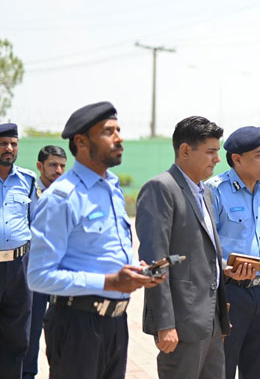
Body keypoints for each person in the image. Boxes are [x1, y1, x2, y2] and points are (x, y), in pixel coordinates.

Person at [28, 101, 163, 379]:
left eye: (119, 129)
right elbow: (39, 276)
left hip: (117, 322)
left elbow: (104, 255)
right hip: (78, 325)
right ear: (81, 141)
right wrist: (109, 282)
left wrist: (137, 273)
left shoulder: (112, 189)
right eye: (108, 131)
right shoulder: (61, 198)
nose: (119, 137)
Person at [136, 116, 230, 379]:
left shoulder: (206, 193)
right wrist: (164, 324)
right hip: (181, 325)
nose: (217, 159)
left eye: (217, 152)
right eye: (211, 152)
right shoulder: (161, 188)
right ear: (185, 150)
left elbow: (200, 254)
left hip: (210, 322)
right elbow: (154, 262)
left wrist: (225, 269)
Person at [207, 126, 260, 379]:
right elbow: (205, 245)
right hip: (231, 293)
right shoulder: (214, 190)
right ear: (237, 159)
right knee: (223, 366)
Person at [23, 145, 67, 379]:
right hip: (36, 276)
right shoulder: (29, 192)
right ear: (40, 166)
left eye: (62, 165)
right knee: (29, 334)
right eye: (53, 165)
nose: (58, 170)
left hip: (63, 277)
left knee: (61, 333)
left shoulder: (70, 194)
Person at [0, 122, 37, 378]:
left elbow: (36, 222)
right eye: (3, 144)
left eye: (13, 144)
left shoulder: (28, 181)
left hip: (18, 268)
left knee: (17, 337)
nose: (9, 148)